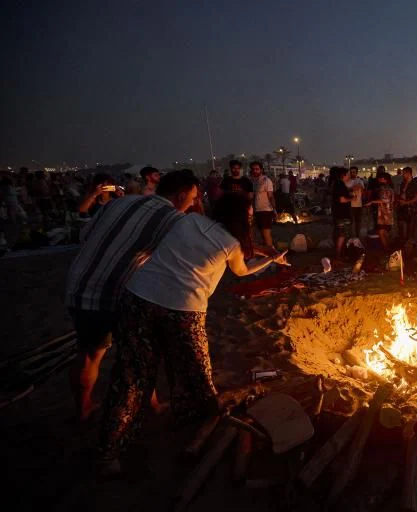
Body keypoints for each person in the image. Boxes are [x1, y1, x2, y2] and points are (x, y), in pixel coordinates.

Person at [97, 193, 288, 472]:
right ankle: (199, 426)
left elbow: (209, 247)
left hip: (138, 296)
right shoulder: (230, 243)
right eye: (248, 214)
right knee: (195, 371)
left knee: (131, 375)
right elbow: (243, 271)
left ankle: (109, 451)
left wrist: (262, 252)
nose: (250, 218)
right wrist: (273, 261)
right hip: (182, 309)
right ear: (239, 218)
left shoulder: (189, 220)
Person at [65, 170, 200, 422]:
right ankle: (152, 406)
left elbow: (84, 235)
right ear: (181, 194)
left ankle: (82, 409)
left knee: (89, 353)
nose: (193, 203)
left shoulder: (119, 202)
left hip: (78, 286)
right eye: (192, 197)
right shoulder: (172, 219)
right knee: (140, 354)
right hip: (117, 294)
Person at [250, 161, 276, 251]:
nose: (255, 171)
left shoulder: (266, 181)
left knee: (266, 235)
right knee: (258, 235)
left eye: (257, 169)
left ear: (261, 170)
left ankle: (273, 257)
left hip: (266, 211)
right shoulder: (252, 182)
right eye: (253, 169)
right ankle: (267, 255)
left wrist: (274, 210)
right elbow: (252, 198)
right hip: (256, 211)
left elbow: (271, 196)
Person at [365, 172, 395, 250]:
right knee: (385, 232)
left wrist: (371, 202)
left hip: (384, 214)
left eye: (380, 178)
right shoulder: (389, 188)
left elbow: (385, 200)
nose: (378, 180)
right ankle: (388, 248)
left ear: (385, 179)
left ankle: (386, 249)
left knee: (381, 232)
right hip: (387, 213)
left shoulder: (385, 188)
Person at [330, 167, 354, 258]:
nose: (349, 175)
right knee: (342, 234)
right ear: (343, 175)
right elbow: (342, 199)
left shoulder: (337, 184)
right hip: (342, 213)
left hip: (338, 212)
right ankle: (338, 254)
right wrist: (352, 198)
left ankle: (340, 252)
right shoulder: (339, 184)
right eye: (348, 174)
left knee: (340, 233)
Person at [396, 167, 417, 242]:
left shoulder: (416, 183)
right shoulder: (403, 183)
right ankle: (403, 242)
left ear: (408, 173)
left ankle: (409, 244)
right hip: (402, 209)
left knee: (410, 230)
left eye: (404, 173)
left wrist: (406, 202)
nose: (402, 175)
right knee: (401, 227)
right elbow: (401, 194)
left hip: (412, 210)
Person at [347, 166, 365, 237]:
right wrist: (353, 188)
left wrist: (361, 188)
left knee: (358, 222)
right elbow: (346, 191)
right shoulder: (347, 182)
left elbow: (363, 192)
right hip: (350, 205)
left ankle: (357, 236)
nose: (352, 174)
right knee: (350, 222)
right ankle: (350, 236)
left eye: (354, 172)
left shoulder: (360, 181)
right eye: (351, 172)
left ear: (357, 173)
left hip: (359, 204)